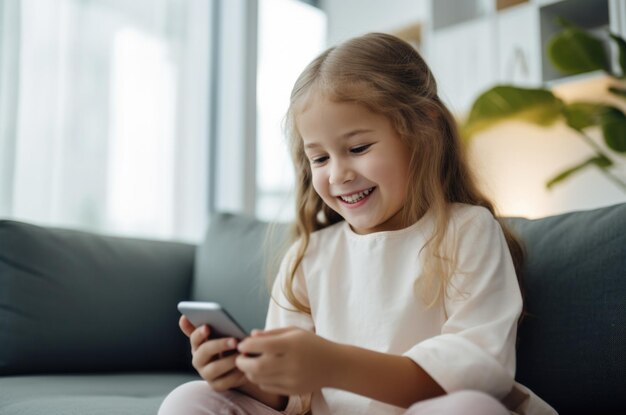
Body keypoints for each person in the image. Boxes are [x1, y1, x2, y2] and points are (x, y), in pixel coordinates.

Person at [158, 32, 557, 415]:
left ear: (424, 130)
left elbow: (477, 369)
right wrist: (243, 375)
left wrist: (333, 364)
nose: (338, 175)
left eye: (358, 148)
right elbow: (292, 398)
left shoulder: (466, 230)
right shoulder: (308, 255)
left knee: (470, 408)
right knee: (190, 401)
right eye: (320, 158)